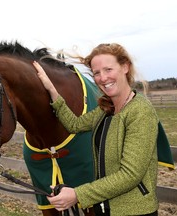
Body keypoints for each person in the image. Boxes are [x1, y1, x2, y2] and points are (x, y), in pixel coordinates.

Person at [33, 43, 161, 215]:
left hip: (134, 211)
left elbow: (131, 175)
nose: (103, 78)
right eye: (97, 73)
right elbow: (74, 124)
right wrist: (51, 90)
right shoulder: (106, 110)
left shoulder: (140, 111)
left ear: (125, 67)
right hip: (104, 208)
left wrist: (77, 194)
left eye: (108, 69)